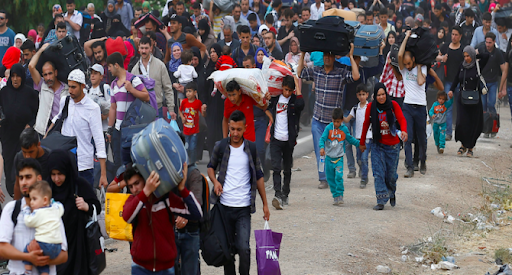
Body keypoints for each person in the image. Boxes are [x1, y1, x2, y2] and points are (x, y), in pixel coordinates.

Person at [207, 110, 270, 275]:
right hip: (224, 207)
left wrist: (265, 204)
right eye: (232, 129)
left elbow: (259, 176)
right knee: (227, 251)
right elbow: (210, 167)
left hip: (243, 208)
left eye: (238, 129)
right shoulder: (220, 146)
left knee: (244, 248)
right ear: (229, 126)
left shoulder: (252, 149)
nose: (235, 133)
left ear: (245, 128)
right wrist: (215, 182)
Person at [298, 44, 360, 189]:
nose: (327, 57)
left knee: (334, 152)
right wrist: (302, 54)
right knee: (321, 152)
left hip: (334, 124)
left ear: (334, 57)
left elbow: (356, 76)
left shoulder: (340, 73)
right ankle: (323, 179)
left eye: (330, 55)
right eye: (325, 55)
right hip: (318, 120)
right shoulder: (316, 71)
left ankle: (332, 176)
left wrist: (350, 56)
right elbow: (300, 73)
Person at [123, 162, 202, 274]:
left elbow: (196, 213)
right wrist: (145, 192)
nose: (134, 189)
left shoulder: (166, 199)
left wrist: (182, 189)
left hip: (166, 268)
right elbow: (127, 217)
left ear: (146, 179)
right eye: (130, 186)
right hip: (140, 267)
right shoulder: (133, 201)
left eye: (137, 183)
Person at [0, 159, 68, 275]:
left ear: (39, 179)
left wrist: (41, 260)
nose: (24, 182)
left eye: (28, 177)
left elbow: (63, 255)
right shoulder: (11, 209)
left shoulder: (52, 210)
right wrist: (28, 257)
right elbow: (2, 248)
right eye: (21, 178)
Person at [47, 69, 108, 187]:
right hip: (64, 164)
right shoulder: (65, 101)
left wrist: (103, 175)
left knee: (84, 202)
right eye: (69, 86)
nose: (70, 90)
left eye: (74, 87)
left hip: (83, 166)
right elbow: (56, 120)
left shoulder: (93, 108)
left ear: (83, 86)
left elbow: (99, 141)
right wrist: (45, 138)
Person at [46, 149, 100, 275]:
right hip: (55, 246)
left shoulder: (79, 185)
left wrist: (87, 206)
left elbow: (96, 206)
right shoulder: (47, 188)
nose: (56, 178)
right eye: (53, 174)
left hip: (78, 245)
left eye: (60, 173)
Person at [360, 83, 407, 210]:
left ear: (386, 94)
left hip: (393, 147)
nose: (381, 97)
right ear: (375, 96)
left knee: (391, 176)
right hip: (377, 145)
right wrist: (362, 142)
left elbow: (402, 119)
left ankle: (391, 192)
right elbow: (365, 124)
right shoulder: (371, 107)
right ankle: (381, 199)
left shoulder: (393, 105)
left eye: (383, 94)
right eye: (378, 95)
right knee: (378, 173)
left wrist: (404, 131)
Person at [0, 63, 39, 198]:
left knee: (22, 162)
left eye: (18, 76)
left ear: (22, 77)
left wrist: (30, 124)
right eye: (13, 76)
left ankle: (22, 190)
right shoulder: (4, 92)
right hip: (7, 135)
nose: (15, 79)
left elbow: (36, 113)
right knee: (9, 161)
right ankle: (12, 191)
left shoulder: (30, 93)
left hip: (23, 135)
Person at [106, 52, 150, 168]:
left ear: (116, 65)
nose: (109, 69)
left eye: (110, 66)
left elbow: (146, 96)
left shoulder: (133, 79)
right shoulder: (113, 84)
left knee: (131, 163)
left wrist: (132, 90)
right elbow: (113, 108)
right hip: (117, 130)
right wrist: (109, 130)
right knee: (118, 162)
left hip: (131, 129)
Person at [268, 75, 304, 209]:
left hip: (288, 141)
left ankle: (285, 194)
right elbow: (264, 105)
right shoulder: (276, 99)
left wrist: (296, 82)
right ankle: (277, 195)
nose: (287, 93)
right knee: (276, 168)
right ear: (281, 88)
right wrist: (271, 118)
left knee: (287, 169)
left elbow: (302, 104)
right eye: (285, 89)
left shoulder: (294, 101)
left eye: (290, 90)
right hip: (276, 139)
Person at [398, 30, 428, 178]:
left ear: (414, 60)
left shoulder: (422, 68)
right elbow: (399, 55)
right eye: (405, 64)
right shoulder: (403, 70)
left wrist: (418, 67)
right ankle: (409, 167)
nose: (407, 66)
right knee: (407, 137)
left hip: (421, 107)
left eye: (409, 63)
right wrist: (406, 37)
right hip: (408, 106)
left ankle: (422, 160)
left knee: (421, 137)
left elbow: (421, 81)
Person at [449, 46, 488, 156]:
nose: (466, 58)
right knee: (462, 122)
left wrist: (476, 55)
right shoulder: (462, 66)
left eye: (468, 56)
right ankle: (463, 145)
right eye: (465, 56)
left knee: (473, 123)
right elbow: (457, 78)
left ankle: (470, 146)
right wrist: (451, 89)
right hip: (462, 98)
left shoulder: (477, 65)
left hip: (475, 99)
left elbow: (486, 56)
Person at [319, 108, 360, 206]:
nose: (336, 124)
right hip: (329, 158)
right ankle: (335, 196)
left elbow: (350, 139)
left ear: (342, 120)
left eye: (338, 122)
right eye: (334, 121)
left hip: (339, 159)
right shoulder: (328, 128)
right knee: (330, 178)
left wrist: (360, 144)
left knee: (338, 177)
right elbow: (322, 139)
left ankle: (340, 194)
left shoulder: (344, 129)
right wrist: (321, 147)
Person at [23, 181, 64, 275]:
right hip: (57, 247)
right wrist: (53, 203)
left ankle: (27, 271)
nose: (31, 202)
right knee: (43, 261)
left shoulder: (38, 213)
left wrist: (26, 210)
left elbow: (28, 221)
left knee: (27, 249)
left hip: (44, 244)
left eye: (34, 199)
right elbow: (61, 207)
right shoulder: (55, 209)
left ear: (45, 200)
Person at [28, 44, 70, 137]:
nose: (48, 77)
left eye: (50, 73)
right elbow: (31, 66)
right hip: (42, 131)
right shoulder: (42, 85)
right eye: (45, 74)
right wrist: (41, 50)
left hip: (60, 132)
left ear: (55, 72)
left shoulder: (67, 89)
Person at [131, 37, 176, 119]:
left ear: (151, 48)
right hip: (141, 109)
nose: (144, 51)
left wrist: (171, 108)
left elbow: (168, 88)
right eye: (142, 48)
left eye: (146, 48)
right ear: (139, 49)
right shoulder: (134, 69)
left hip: (157, 107)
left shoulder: (160, 65)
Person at [437, 26, 464, 141]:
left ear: (460, 36)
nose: (454, 37)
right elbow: (436, 56)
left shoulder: (463, 49)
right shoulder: (445, 47)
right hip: (448, 81)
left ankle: (460, 132)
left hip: (460, 82)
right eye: (452, 34)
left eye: (456, 35)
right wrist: (442, 58)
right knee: (448, 107)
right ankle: (448, 132)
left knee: (461, 108)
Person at [476, 32, 507, 133]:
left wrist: (502, 88)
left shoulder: (498, 53)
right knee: (483, 105)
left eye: (490, 42)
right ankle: (484, 127)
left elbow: (504, 70)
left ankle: (493, 127)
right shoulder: (481, 49)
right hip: (483, 81)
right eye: (486, 42)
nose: (488, 45)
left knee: (491, 104)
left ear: (494, 42)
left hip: (493, 82)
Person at [343, 84, 373, 188]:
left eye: (363, 94)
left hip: (368, 137)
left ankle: (364, 179)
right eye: (360, 94)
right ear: (357, 95)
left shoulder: (370, 107)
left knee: (364, 158)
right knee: (359, 159)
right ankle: (363, 171)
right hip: (358, 138)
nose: (361, 97)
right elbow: (347, 119)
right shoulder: (355, 109)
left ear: (367, 95)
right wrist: (340, 116)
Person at [12, 128, 52, 201]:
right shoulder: (19, 157)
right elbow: (17, 185)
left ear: (38, 145)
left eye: (31, 152)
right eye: (24, 152)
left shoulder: (50, 157)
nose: (27, 156)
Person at [179, 82, 206, 164]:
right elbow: (180, 111)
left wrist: (204, 110)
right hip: (186, 130)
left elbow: (203, 115)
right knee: (186, 147)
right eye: (186, 91)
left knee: (193, 147)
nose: (188, 93)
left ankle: (193, 162)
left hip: (195, 130)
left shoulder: (198, 103)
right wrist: (182, 117)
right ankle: (187, 162)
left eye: (190, 91)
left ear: (195, 92)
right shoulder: (184, 102)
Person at [86, 64, 111, 135]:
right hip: (91, 130)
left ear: (101, 76)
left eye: (95, 73)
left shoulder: (105, 87)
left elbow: (112, 106)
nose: (92, 76)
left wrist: (104, 116)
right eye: (91, 73)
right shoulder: (87, 89)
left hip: (104, 129)